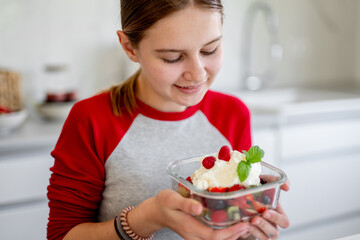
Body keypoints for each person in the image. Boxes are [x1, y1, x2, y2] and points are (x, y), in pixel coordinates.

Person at [47, 0, 290, 239]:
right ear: (130, 47)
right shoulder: (92, 119)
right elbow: (62, 235)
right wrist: (146, 219)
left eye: (209, 50)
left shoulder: (232, 114)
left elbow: (232, 215)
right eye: (173, 57)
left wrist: (249, 229)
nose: (197, 74)